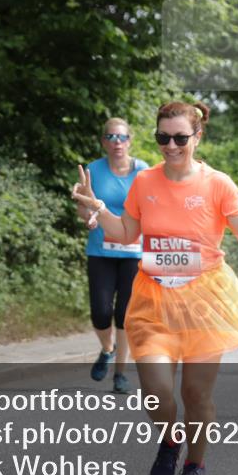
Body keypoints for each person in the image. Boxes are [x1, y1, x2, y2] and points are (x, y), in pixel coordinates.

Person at [71, 101, 238, 475]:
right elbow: (125, 232)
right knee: (156, 392)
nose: (171, 145)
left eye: (180, 138)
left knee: (196, 395)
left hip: (203, 300)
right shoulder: (146, 181)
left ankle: (196, 464)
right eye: (163, 137)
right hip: (152, 299)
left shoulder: (217, 183)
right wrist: (95, 208)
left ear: (197, 137)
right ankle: (170, 441)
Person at [77, 118, 149, 394]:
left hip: (134, 252)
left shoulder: (143, 172)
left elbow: (153, 205)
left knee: (125, 314)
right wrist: (89, 218)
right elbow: (83, 207)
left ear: (130, 140)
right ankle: (107, 348)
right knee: (100, 312)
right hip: (101, 250)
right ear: (103, 142)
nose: (117, 142)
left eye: (122, 137)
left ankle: (120, 373)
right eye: (111, 137)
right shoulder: (93, 171)